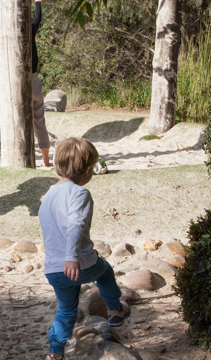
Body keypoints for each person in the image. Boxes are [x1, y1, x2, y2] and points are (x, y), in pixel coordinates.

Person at [38, 137, 130, 359]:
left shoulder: (49, 195)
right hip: (79, 263)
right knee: (105, 272)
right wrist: (71, 257)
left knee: (66, 311)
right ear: (88, 170)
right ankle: (115, 311)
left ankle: (55, 354)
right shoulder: (79, 193)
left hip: (53, 269)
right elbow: (76, 225)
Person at [32, 0, 52, 167]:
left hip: (23, 83)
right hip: (35, 80)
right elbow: (37, 19)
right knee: (39, 123)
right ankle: (46, 160)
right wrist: (37, 3)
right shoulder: (30, 30)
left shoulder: (11, 37)